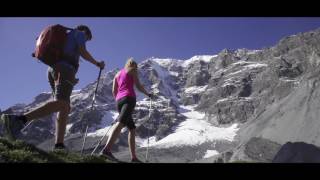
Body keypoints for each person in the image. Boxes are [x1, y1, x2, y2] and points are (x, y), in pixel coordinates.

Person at [0, 25, 105, 150]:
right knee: (61, 104)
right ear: (86, 33)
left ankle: (59, 145)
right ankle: (18, 120)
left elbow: (68, 55)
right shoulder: (80, 34)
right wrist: (97, 63)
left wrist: (71, 78)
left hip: (53, 69)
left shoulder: (67, 36)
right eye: (88, 39)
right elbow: (83, 51)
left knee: (64, 107)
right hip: (64, 69)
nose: (86, 41)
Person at [101, 58, 153, 163]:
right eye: (135, 66)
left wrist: (118, 99)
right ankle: (106, 150)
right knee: (120, 123)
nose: (136, 68)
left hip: (119, 101)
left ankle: (134, 158)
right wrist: (148, 94)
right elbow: (138, 86)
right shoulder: (132, 70)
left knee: (132, 129)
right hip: (129, 99)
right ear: (133, 65)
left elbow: (113, 90)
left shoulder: (117, 74)